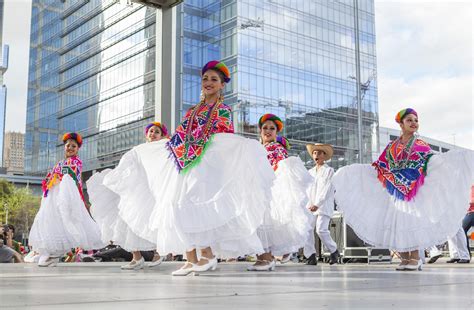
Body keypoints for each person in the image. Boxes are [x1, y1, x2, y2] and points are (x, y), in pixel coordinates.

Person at [100, 60, 275, 276]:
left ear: (222, 85)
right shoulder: (192, 111)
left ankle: (207, 255)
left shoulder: (223, 110)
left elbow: (222, 139)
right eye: (205, 79)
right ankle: (192, 259)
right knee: (177, 206)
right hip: (185, 163)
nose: (208, 82)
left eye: (214, 79)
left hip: (207, 167)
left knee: (192, 206)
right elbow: (180, 135)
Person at [332, 108, 473, 271]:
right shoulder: (392, 146)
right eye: (409, 120)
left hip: (413, 191)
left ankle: (415, 258)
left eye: (416, 120)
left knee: (409, 223)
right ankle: (405, 258)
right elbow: (380, 166)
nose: (414, 123)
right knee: (396, 225)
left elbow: (431, 161)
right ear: (401, 123)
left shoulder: (420, 144)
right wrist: (357, 171)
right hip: (394, 192)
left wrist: (456, 160)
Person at [88, 123, 168, 270]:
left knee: (153, 222)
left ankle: (159, 252)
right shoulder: (137, 150)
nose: (153, 134)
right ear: (146, 134)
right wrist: (116, 179)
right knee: (126, 221)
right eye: (151, 131)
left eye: (157, 132)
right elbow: (125, 165)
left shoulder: (163, 149)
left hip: (152, 192)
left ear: (162, 136)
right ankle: (136, 257)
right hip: (135, 190)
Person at [247, 114, 313, 271]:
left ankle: (266, 259)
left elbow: (280, 170)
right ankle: (264, 258)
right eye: (265, 128)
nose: (268, 131)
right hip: (257, 190)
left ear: (277, 132)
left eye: (272, 129)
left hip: (269, 192)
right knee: (258, 224)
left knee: (264, 224)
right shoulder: (259, 148)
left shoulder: (277, 148)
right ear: (260, 130)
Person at [29, 132, 104, 267]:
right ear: (64, 147)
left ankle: (51, 255)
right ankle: (50, 254)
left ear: (77, 149)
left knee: (66, 221)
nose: (70, 148)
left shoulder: (77, 162)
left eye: (73, 146)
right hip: (53, 198)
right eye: (68, 145)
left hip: (67, 197)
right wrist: (49, 178)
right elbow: (52, 177)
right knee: (50, 222)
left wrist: (55, 175)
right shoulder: (60, 163)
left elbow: (71, 174)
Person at [303, 143, 339, 265]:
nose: (316, 155)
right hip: (310, 206)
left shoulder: (329, 171)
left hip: (323, 206)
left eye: (319, 152)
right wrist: (308, 204)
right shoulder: (309, 172)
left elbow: (327, 189)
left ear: (324, 156)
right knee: (307, 229)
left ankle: (334, 251)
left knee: (321, 230)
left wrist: (317, 204)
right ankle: (311, 256)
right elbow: (307, 189)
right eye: (314, 153)